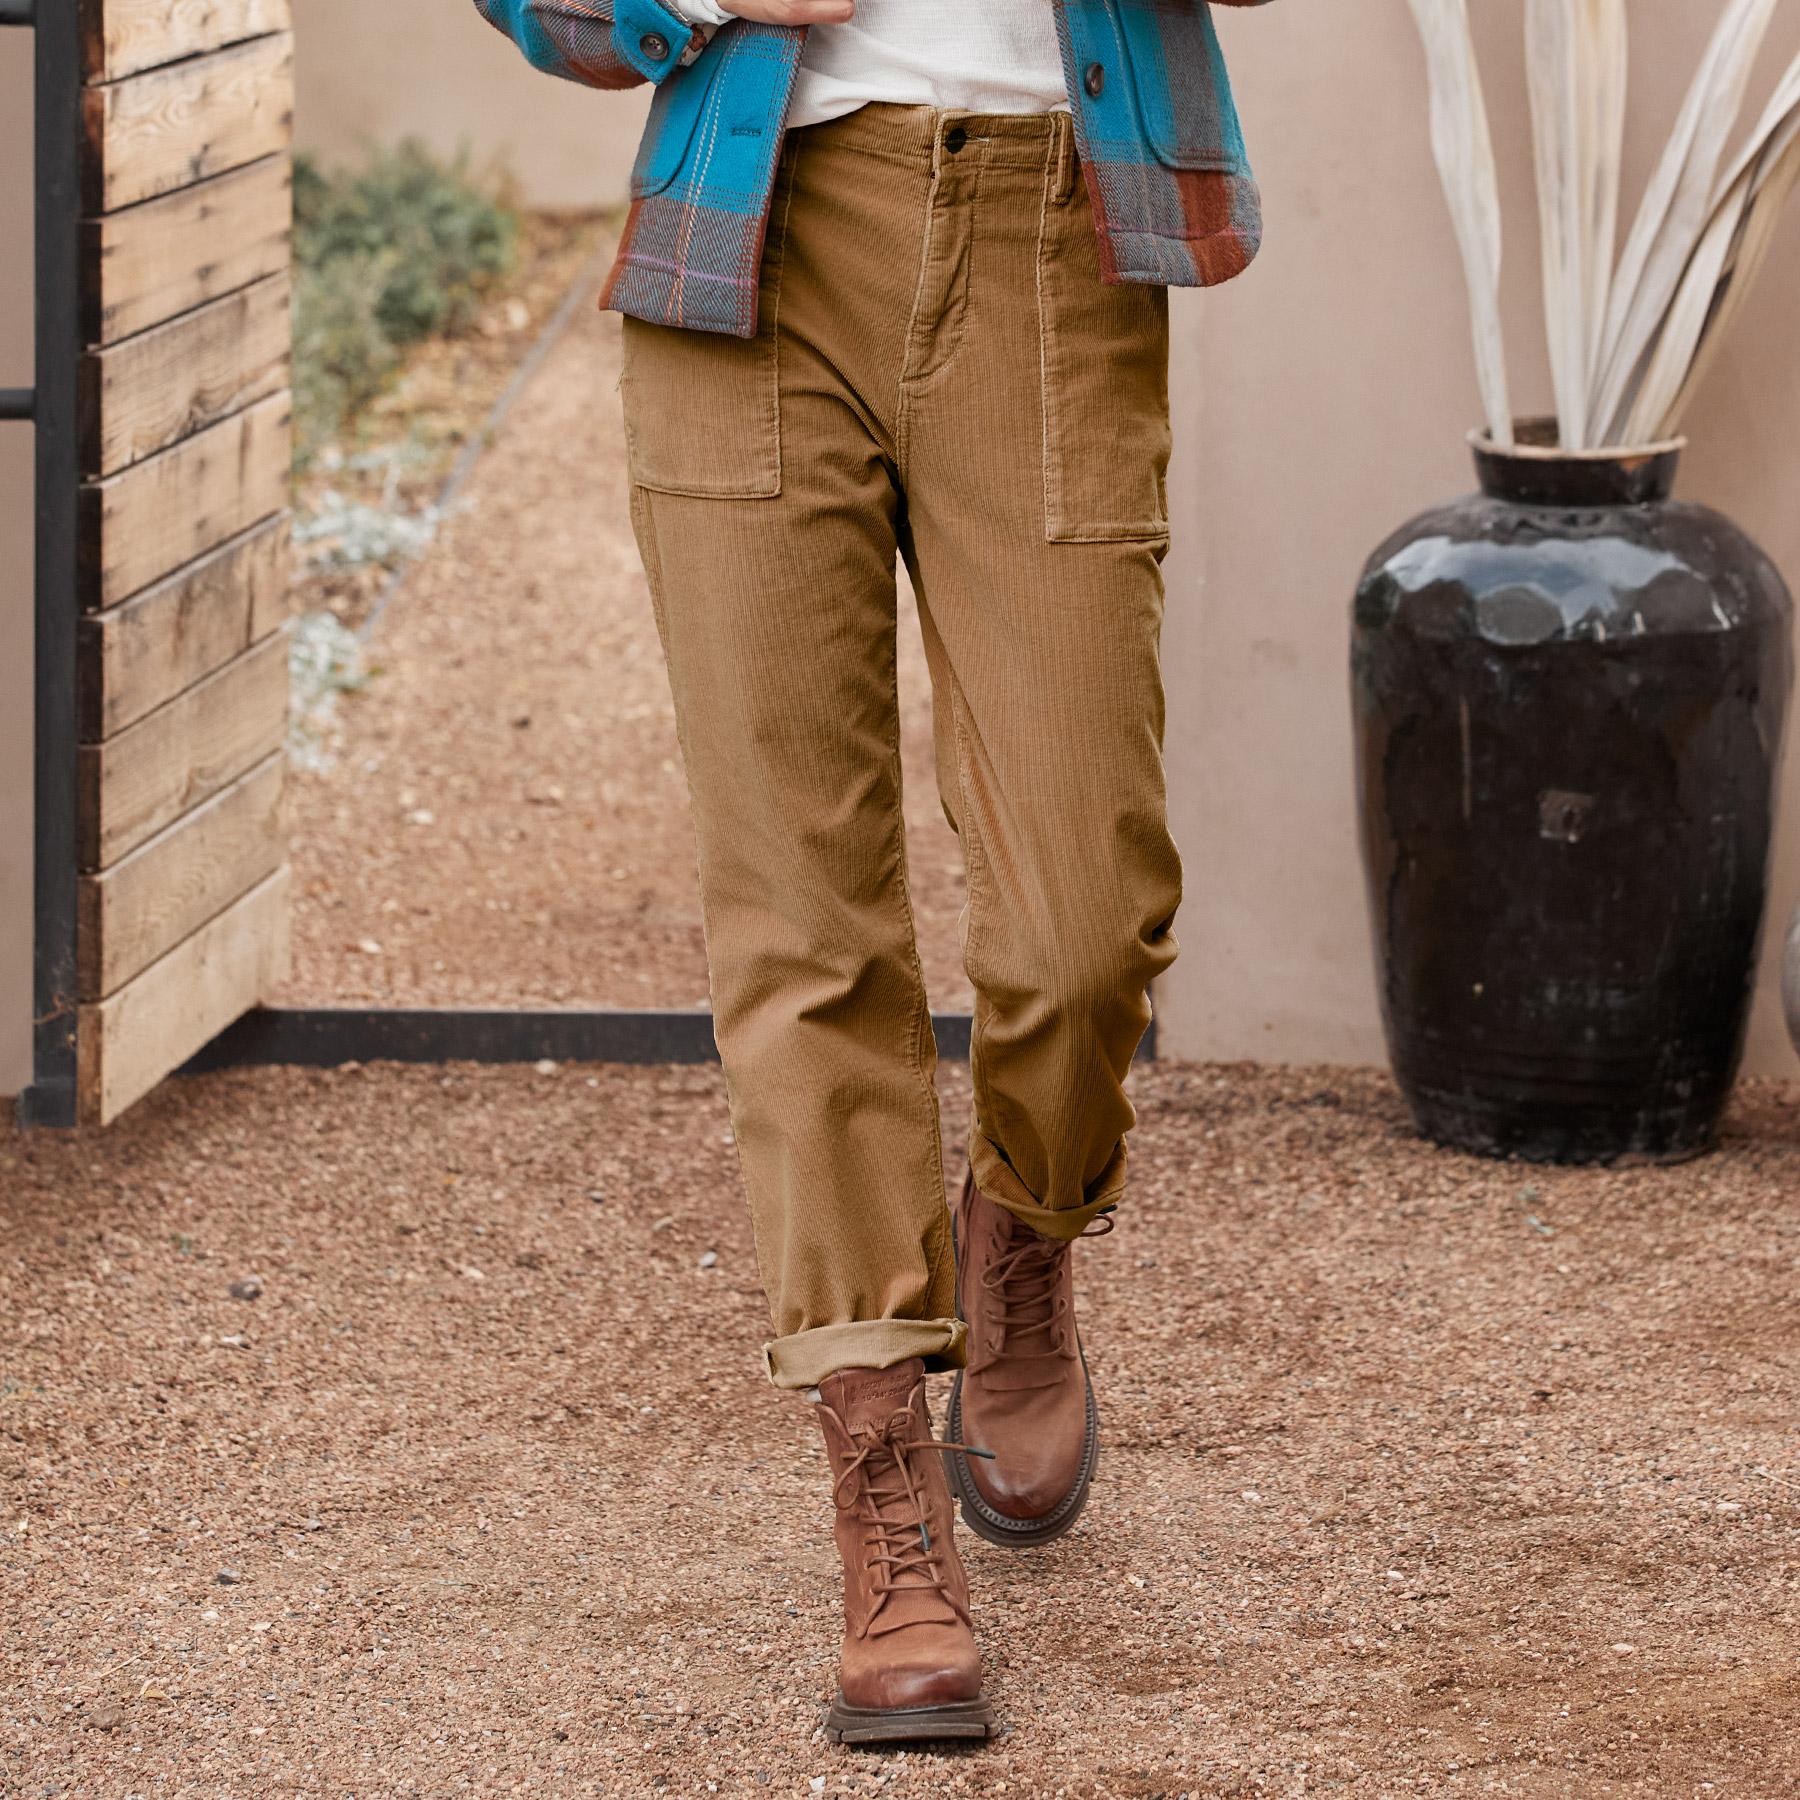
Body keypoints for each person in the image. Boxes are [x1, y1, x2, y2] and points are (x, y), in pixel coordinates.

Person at [473, 0, 1275, 1745]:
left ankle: (1024, 1230)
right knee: (802, 909)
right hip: (749, 236)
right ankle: (882, 1475)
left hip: (1051, 231)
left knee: (1083, 918)